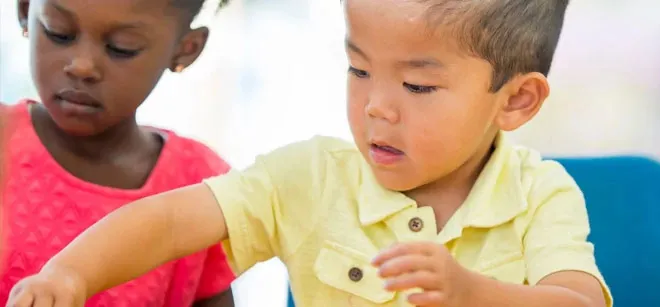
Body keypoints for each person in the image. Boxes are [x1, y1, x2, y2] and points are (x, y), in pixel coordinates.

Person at [8, 0, 614, 306]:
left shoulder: (542, 194)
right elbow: (168, 221)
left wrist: (471, 292)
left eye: (418, 86)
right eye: (358, 70)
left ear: (516, 100)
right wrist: (71, 272)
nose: (377, 106)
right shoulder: (306, 177)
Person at [1, 0, 237, 306]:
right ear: (25, 11)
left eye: (121, 48)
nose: (81, 66)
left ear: (185, 49)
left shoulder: (200, 188)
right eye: (58, 33)